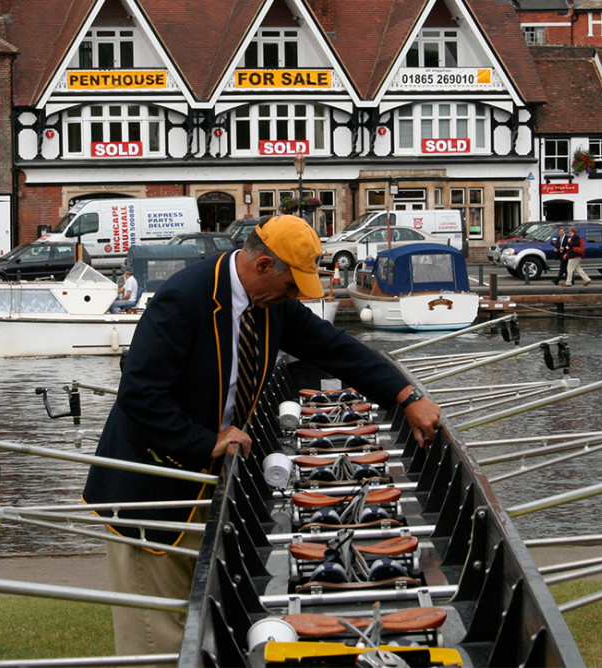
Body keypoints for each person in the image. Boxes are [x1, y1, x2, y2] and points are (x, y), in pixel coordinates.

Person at [82, 214, 441, 657]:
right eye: (292, 286)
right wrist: (203, 440)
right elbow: (139, 393)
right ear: (264, 265)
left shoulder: (271, 305)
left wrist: (406, 395)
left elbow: (337, 349)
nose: (295, 297)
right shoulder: (185, 297)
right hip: (149, 490)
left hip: (201, 481)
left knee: (200, 623)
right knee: (158, 640)